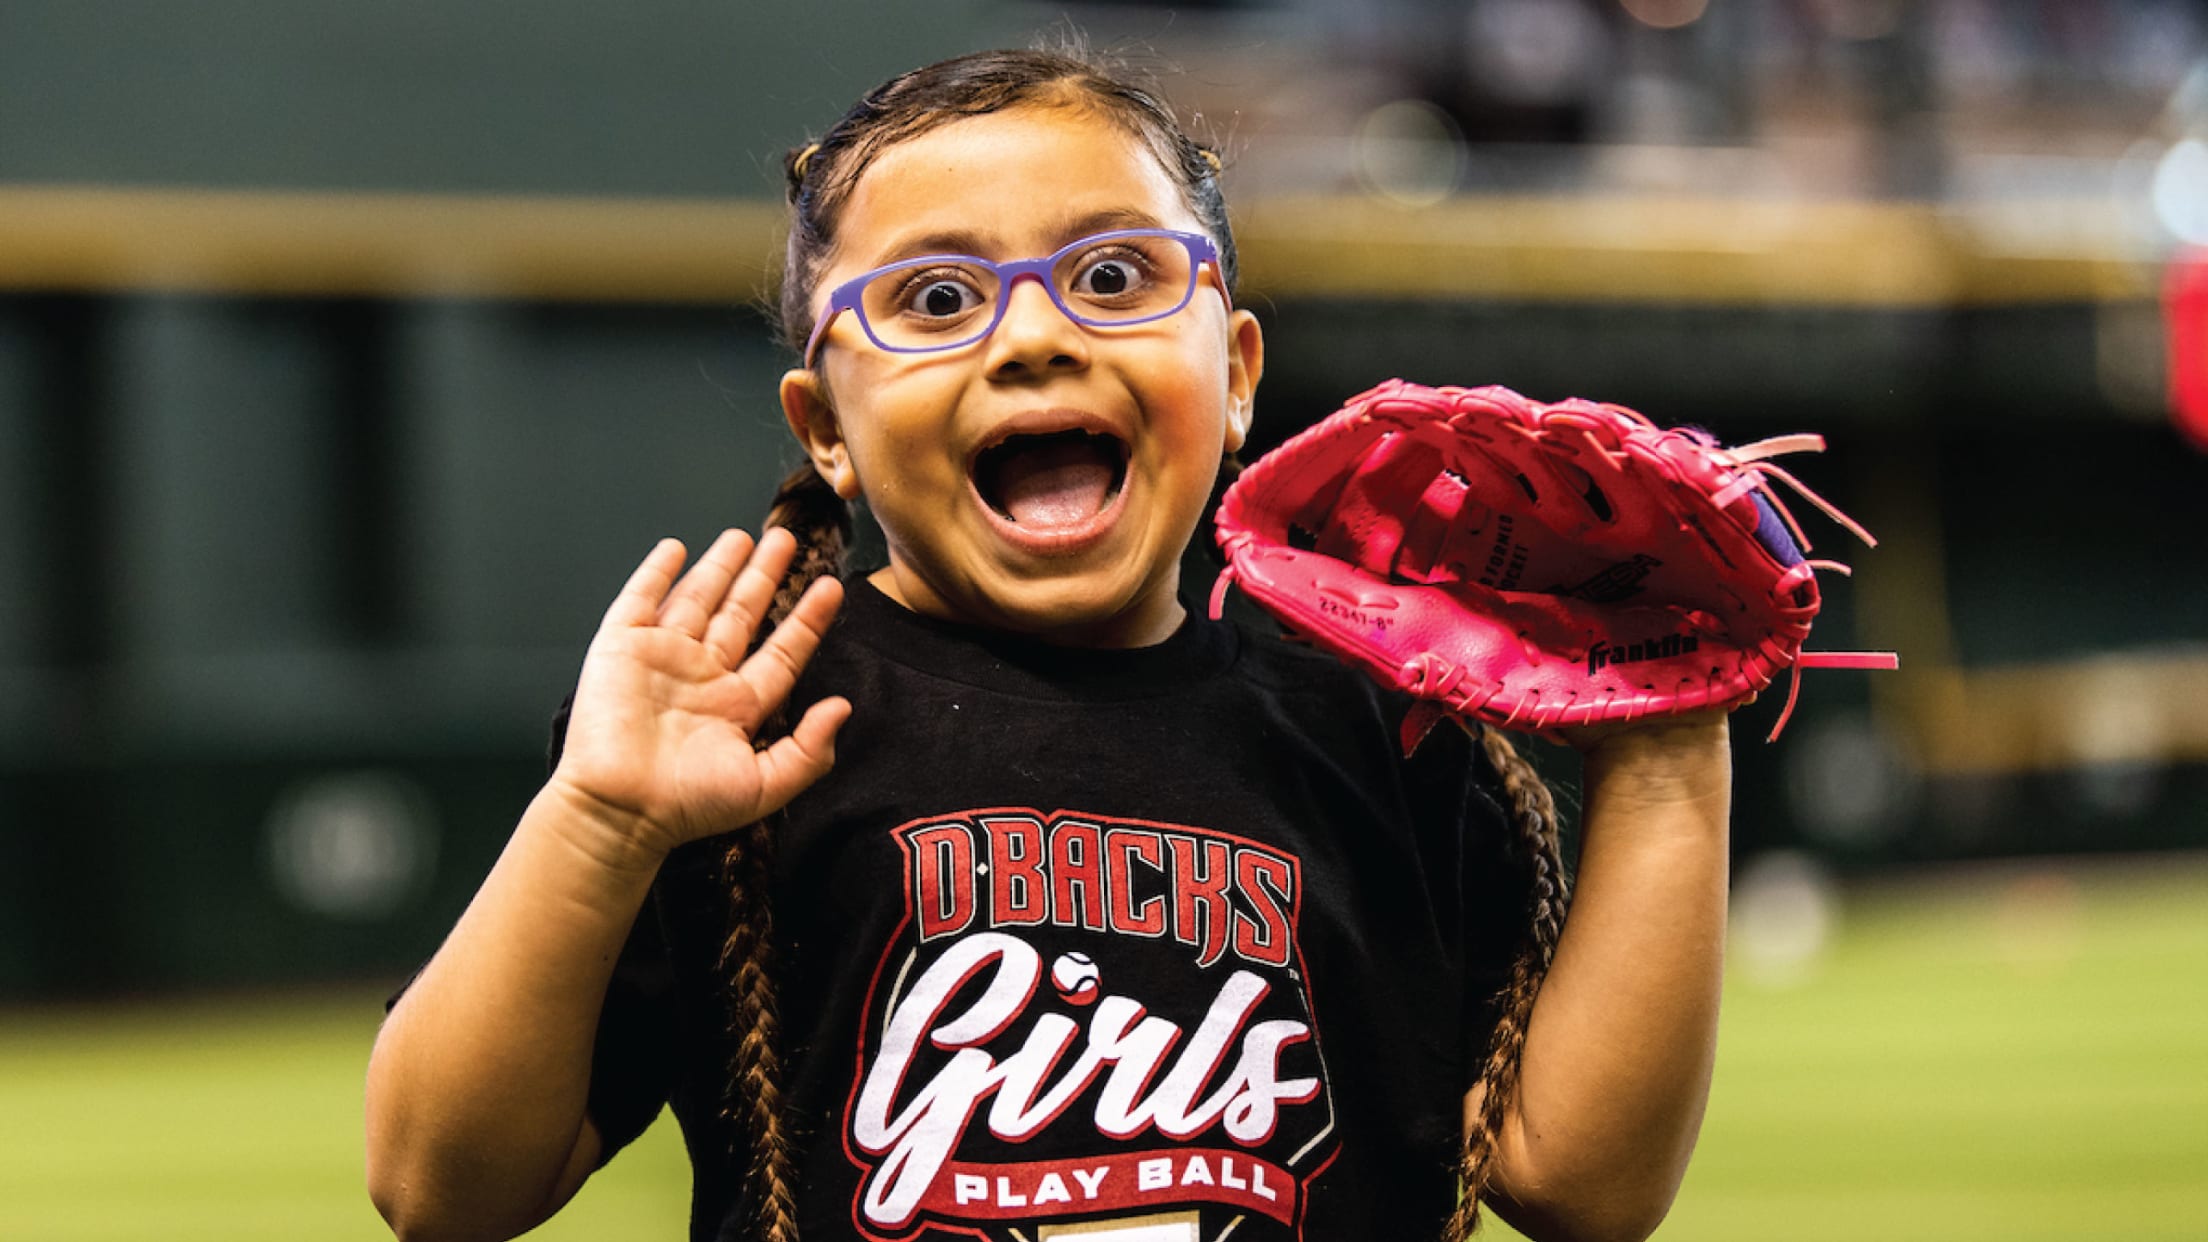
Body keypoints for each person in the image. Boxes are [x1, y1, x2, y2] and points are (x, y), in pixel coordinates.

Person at [365, 44, 1730, 1242]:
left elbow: (1584, 1188)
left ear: (1238, 372)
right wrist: (601, 820)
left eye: (1116, 273)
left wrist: (1673, 743)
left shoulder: (1378, 726)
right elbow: (443, 1184)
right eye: (936, 300)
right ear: (825, 429)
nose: (1031, 335)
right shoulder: (736, 725)